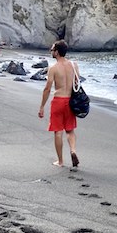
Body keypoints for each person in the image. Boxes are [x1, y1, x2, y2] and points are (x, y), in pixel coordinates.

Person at [38, 40, 80, 168]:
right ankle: (73, 150)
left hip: (58, 101)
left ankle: (60, 161)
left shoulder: (53, 68)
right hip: (70, 101)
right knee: (70, 130)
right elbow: (77, 84)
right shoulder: (74, 65)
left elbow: (47, 88)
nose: (51, 52)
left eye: (52, 50)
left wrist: (42, 106)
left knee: (58, 131)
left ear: (57, 52)